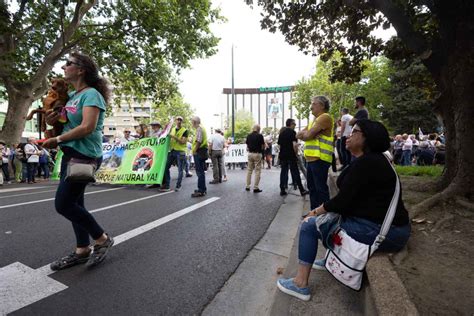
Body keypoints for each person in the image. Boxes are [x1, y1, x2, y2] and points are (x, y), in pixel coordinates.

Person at [277, 119, 410, 301]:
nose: (347, 135)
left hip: (384, 232)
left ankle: (300, 284)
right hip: (387, 227)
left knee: (309, 225)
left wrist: (314, 212)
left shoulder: (368, 163)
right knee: (331, 219)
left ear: (367, 138)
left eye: (354, 131)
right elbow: (348, 197)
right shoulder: (371, 160)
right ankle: (333, 260)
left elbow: (341, 202)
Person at [43, 51, 114, 270]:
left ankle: (101, 239)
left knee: (63, 204)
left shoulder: (91, 94)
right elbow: (67, 122)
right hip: (70, 153)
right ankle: (82, 249)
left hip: (85, 155)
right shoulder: (72, 96)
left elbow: (87, 127)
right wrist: (52, 120)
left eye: (68, 64)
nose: (63, 67)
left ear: (81, 69)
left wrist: (58, 138)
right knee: (75, 202)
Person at [297, 96, 334, 210]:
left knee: (320, 189)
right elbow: (298, 135)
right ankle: (314, 214)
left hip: (320, 159)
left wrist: (308, 134)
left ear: (322, 106)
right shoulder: (314, 121)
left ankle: (325, 216)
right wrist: (309, 134)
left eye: (313, 103)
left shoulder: (324, 117)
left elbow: (306, 135)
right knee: (312, 189)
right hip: (312, 159)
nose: (311, 106)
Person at [278, 119, 308, 196]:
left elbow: (280, 145)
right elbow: (294, 145)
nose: (295, 125)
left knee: (283, 172)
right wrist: (296, 154)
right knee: (295, 172)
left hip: (283, 155)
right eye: (294, 124)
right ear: (291, 124)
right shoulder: (292, 132)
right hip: (291, 155)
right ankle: (302, 190)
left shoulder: (281, 133)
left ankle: (282, 189)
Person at [161, 116, 188, 191]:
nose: (179, 121)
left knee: (180, 170)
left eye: (180, 120)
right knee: (165, 167)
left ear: (182, 121)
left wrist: (173, 136)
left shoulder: (185, 130)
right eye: (177, 120)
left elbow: (183, 142)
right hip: (172, 151)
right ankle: (167, 185)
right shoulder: (172, 129)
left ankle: (178, 186)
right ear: (175, 121)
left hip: (180, 151)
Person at [191, 116, 208, 197]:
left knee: (199, 172)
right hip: (202, 151)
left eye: (192, 122)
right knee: (201, 171)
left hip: (199, 151)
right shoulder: (202, 128)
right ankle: (202, 188)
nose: (191, 123)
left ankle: (201, 190)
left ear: (194, 122)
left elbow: (199, 141)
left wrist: (194, 150)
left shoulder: (199, 128)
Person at [245, 124, 265, 193]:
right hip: (257, 154)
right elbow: (263, 146)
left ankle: (247, 186)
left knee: (249, 170)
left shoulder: (249, 135)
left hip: (250, 154)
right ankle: (255, 187)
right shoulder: (260, 136)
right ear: (258, 129)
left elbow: (247, 146)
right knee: (257, 171)